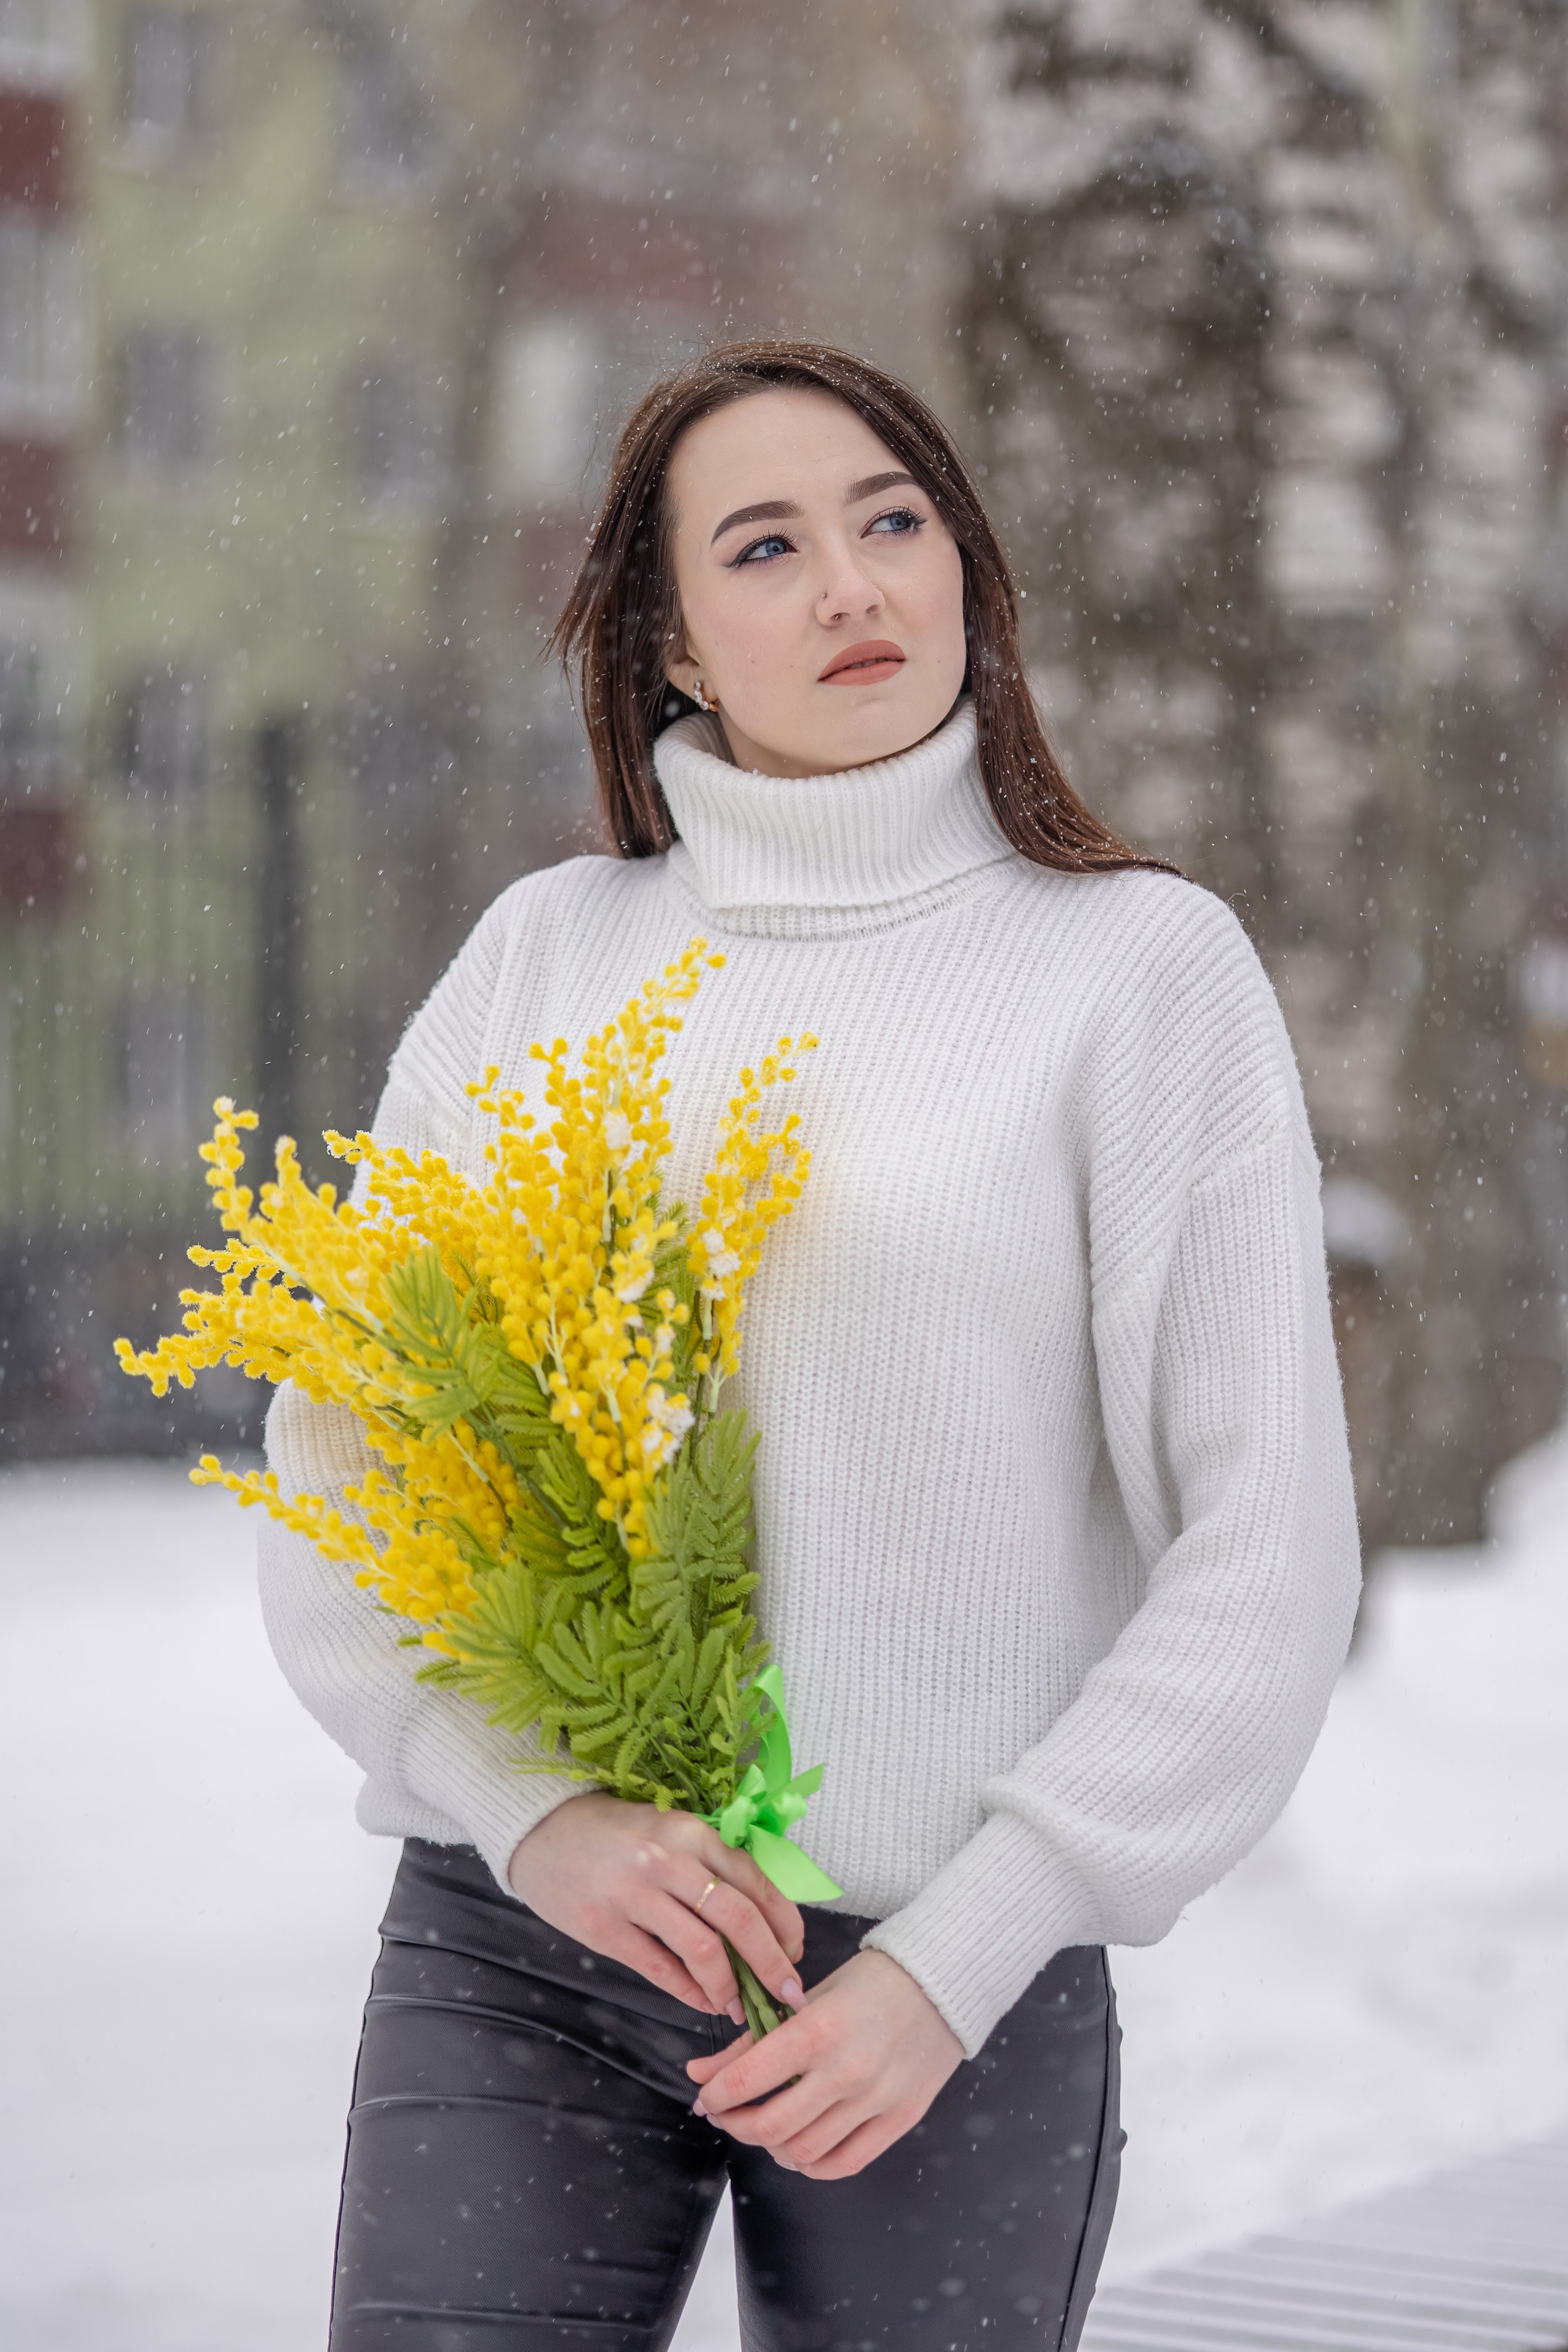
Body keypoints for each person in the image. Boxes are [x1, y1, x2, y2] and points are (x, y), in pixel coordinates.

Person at [259, 339, 1361, 2352]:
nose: (854, 586)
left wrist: (958, 1958)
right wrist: (533, 1813)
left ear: (965, 568)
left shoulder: (1137, 974)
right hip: (531, 1939)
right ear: (673, 640)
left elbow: (1263, 1551)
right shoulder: (546, 956)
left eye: (893, 522)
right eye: (766, 547)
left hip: (939, 1989)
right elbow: (349, 1458)